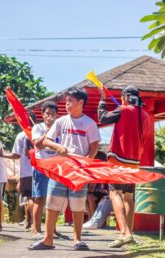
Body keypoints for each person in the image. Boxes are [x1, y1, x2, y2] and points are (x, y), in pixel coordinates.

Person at [29, 88, 100, 251]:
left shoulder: (89, 123)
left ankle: (77, 240)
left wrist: (85, 164)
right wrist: (58, 147)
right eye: (66, 101)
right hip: (60, 169)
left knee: (78, 205)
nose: (67, 104)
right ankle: (48, 239)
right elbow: (46, 141)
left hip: (79, 171)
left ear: (80, 103)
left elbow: (94, 147)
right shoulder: (61, 121)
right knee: (52, 203)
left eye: (70, 101)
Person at [98, 85, 149, 248]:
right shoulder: (146, 115)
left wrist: (102, 100)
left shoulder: (123, 109)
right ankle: (128, 234)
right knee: (128, 196)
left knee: (114, 193)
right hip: (134, 161)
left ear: (126, 97)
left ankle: (125, 233)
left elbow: (103, 118)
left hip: (118, 158)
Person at [0, 115, 35, 230]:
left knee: (30, 198)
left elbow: (16, 155)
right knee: (40, 199)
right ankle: (31, 222)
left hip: (27, 171)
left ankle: (34, 225)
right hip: (41, 170)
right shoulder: (41, 132)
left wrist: (2, 154)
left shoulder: (21, 135)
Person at [30, 101, 58, 240]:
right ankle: (36, 229)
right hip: (41, 165)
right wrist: (48, 131)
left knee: (54, 199)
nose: (50, 116)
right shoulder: (37, 128)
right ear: (42, 114)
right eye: (47, 113)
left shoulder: (59, 127)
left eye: (53, 114)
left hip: (55, 167)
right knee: (39, 198)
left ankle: (52, 229)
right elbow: (38, 145)